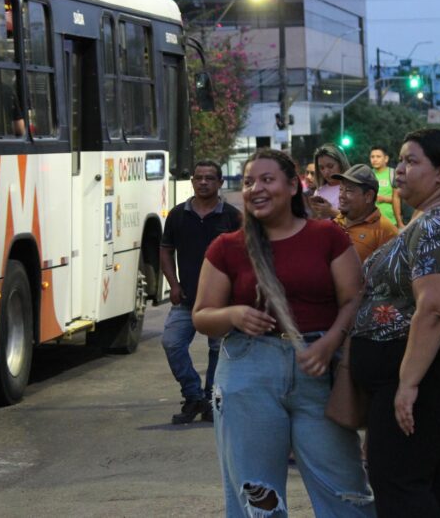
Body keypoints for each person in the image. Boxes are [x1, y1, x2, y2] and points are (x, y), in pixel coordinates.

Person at [193, 148, 374, 517]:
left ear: (293, 185)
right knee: (258, 498)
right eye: (247, 182)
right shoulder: (227, 247)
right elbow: (201, 315)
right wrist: (234, 313)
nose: (255, 188)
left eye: (266, 179)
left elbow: (354, 298)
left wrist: (330, 341)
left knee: (347, 495)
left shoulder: (327, 236)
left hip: (318, 372)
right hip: (247, 373)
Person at [350, 129, 440, 516]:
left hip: (429, 374)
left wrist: (408, 383)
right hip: (437, 370)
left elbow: (435, 308)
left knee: (399, 482)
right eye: (400, 160)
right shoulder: (436, 216)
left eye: (412, 161)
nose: (400, 169)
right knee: (436, 477)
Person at [160, 160, 242, 424]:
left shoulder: (231, 216)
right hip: (186, 299)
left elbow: (246, 255)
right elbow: (165, 249)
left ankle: (210, 400)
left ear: (219, 182)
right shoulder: (177, 215)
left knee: (218, 350)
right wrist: (173, 284)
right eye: (198, 178)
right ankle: (192, 395)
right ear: (192, 182)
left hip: (221, 302)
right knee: (172, 343)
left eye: (209, 178)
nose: (203, 182)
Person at [332, 164, 399, 263]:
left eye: (349, 190)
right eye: (341, 189)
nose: (341, 195)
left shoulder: (386, 232)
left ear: (368, 196)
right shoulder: (335, 223)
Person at [307, 143, 350, 219]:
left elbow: (357, 221)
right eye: (322, 168)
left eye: (330, 166)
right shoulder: (319, 191)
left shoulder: (353, 189)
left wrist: (331, 211)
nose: (326, 172)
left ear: (341, 163)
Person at [369, 146, 402, 228]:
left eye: (378, 156)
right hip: (370, 223)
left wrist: (384, 199)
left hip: (391, 222)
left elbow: (401, 198)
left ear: (386, 159)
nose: (375, 159)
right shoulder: (368, 175)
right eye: (372, 157)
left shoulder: (393, 174)